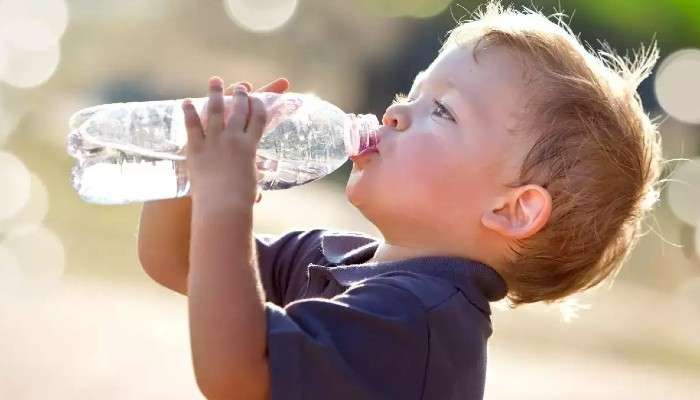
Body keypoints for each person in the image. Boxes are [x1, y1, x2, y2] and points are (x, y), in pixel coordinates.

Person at [137, 1, 663, 399]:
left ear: (511, 208)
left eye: (443, 111)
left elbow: (234, 373)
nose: (394, 113)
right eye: (411, 93)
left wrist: (226, 202)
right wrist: (189, 169)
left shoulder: (418, 320)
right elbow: (176, 258)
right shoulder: (339, 257)